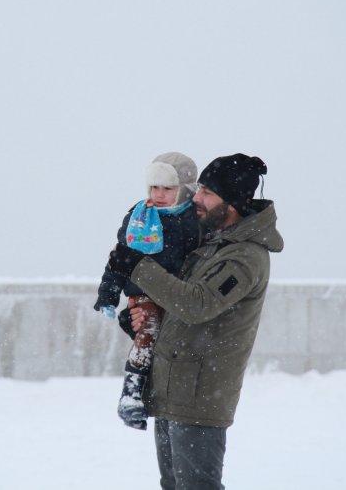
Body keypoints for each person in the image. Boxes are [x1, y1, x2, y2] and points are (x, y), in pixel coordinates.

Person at [106, 153, 283, 489]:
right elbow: (178, 303)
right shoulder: (211, 244)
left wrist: (137, 266)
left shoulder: (243, 257)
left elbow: (197, 304)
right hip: (174, 389)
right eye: (198, 189)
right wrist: (140, 320)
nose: (196, 199)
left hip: (200, 398)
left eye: (207, 193)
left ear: (231, 202)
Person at [94, 152, 200, 430]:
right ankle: (131, 392)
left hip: (178, 295)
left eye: (168, 188)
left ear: (186, 190)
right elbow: (118, 261)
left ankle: (153, 396)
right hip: (144, 293)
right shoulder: (139, 217)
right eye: (155, 187)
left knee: (169, 345)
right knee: (148, 332)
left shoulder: (195, 220)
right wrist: (108, 296)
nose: (160, 194)